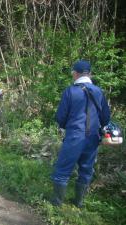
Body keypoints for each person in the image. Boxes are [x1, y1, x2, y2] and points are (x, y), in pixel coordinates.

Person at [51, 60, 110, 208]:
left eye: (73, 73)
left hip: (75, 136)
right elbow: (106, 118)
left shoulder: (70, 91)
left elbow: (60, 117)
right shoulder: (99, 91)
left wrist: (64, 127)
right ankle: (79, 203)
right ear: (89, 74)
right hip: (93, 138)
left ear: (75, 73)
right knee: (86, 170)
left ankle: (57, 204)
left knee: (63, 169)